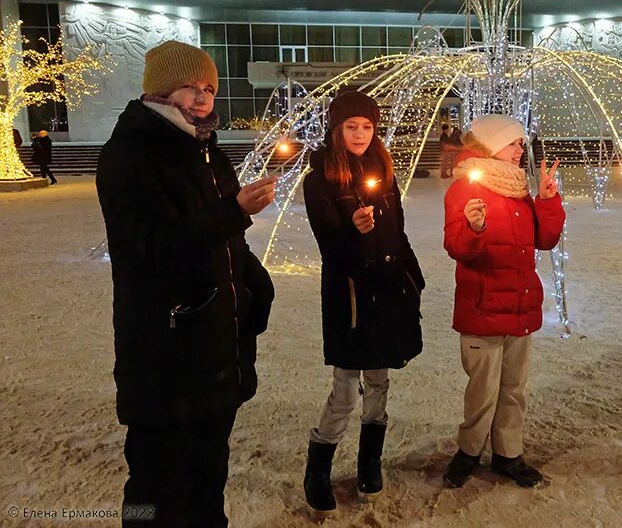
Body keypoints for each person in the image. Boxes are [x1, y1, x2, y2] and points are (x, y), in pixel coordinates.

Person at [96, 40, 277, 527]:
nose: (201, 98)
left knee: (207, 478)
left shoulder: (206, 151)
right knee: (154, 489)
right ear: (159, 91)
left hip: (213, 350)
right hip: (165, 353)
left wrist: (256, 285)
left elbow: (223, 243)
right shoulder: (130, 155)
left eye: (209, 89)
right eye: (189, 87)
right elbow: (151, 247)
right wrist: (234, 210)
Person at [302, 90, 425, 512]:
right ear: (336, 129)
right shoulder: (320, 178)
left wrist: (413, 277)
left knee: (379, 383)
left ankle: (369, 461)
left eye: (367, 126)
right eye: (351, 126)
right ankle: (318, 466)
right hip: (351, 298)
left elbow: (399, 232)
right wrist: (353, 228)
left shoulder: (384, 171)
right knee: (345, 390)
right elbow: (329, 248)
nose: (359, 134)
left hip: (388, 290)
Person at [442, 114, 565, 489]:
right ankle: (468, 451)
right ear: (494, 145)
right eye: (514, 143)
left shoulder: (519, 190)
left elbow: (544, 240)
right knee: (482, 391)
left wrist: (547, 200)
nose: (520, 150)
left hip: (520, 306)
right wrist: (474, 229)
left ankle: (508, 454)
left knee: (513, 389)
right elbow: (457, 247)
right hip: (482, 307)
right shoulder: (465, 189)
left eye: (521, 144)